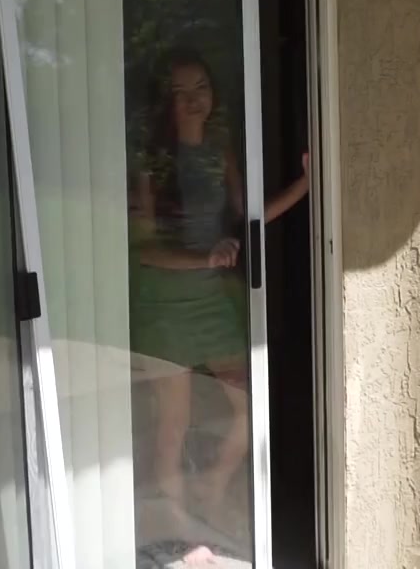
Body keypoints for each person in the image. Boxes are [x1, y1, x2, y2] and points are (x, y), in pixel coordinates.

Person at [130, 47, 307, 564]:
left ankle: (207, 492)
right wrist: (205, 257)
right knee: (173, 427)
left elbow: (245, 219)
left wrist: (308, 184)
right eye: (180, 91)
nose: (193, 100)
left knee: (248, 411)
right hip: (163, 306)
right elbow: (144, 250)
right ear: (165, 101)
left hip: (210, 303)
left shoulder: (218, 151)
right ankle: (185, 537)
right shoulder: (151, 164)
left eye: (201, 87)